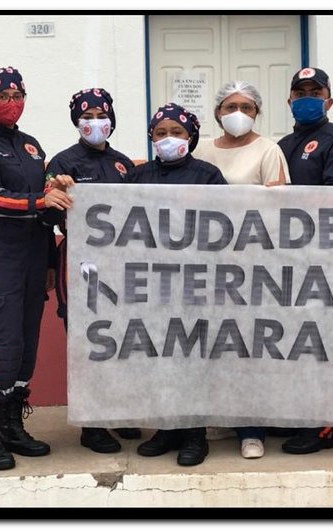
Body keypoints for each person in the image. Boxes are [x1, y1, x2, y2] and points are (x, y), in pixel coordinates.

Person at [0, 66, 74, 471]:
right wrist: (40, 202)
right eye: (3, 95)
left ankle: (12, 425)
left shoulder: (31, 146)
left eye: (18, 94)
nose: (12, 102)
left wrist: (54, 189)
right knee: (1, 343)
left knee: (26, 344)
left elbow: (40, 199)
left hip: (30, 254)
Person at [193, 80, 289, 459]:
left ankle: (252, 428)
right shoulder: (200, 151)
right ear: (217, 112)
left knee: (249, 345)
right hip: (207, 264)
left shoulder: (269, 151)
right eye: (230, 106)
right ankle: (218, 415)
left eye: (246, 107)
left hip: (252, 265)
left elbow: (280, 209)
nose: (237, 113)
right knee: (211, 343)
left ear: (257, 112)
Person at [45, 87, 142, 454]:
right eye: (87, 118)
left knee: (121, 338)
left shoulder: (123, 164)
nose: (95, 123)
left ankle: (119, 412)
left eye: (101, 116)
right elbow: (48, 215)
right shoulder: (62, 162)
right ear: (77, 122)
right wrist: (57, 190)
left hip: (121, 264)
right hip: (80, 262)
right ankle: (92, 424)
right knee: (87, 339)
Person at [130, 103, 227, 466]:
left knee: (192, 357)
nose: (168, 139)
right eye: (160, 133)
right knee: (158, 356)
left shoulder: (208, 175)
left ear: (191, 136)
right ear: (151, 138)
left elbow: (227, 225)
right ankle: (166, 428)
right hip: (152, 284)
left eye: (177, 132)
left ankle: (194, 435)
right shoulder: (137, 178)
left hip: (196, 284)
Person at [276, 67, 333, 455]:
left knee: (324, 339)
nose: (306, 96)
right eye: (300, 91)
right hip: (288, 258)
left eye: (315, 90)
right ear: (289, 100)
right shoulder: (282, 144)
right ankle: (299, 415)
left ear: (329, 98)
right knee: (298, 340)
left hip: (324, 257)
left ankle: (324, 425)